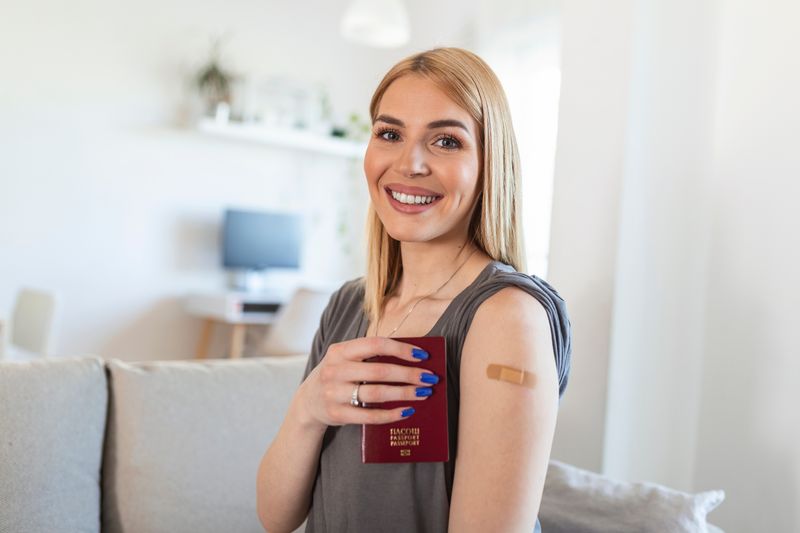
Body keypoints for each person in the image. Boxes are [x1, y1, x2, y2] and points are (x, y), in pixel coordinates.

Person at [256, 47, 571, 533]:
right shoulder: (348, 304)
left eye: (446, 141)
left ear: (490, 164)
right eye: (389, 134)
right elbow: (275, 518)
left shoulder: (508, 317)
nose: (410, 164)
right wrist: (308, 407)